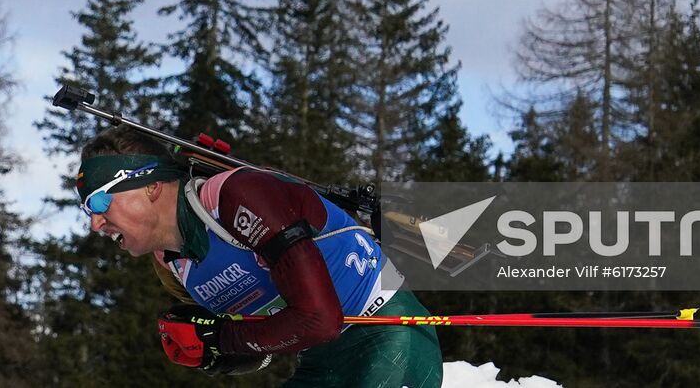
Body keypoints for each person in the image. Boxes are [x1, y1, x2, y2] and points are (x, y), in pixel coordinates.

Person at [76, 125, 443, 387]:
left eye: (101, 201)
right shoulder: (173, 264)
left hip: (389, 332)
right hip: (321, 362)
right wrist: (208, 348)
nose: (95, 222)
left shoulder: (236, 197)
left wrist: (223, 338)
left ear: (151, 185)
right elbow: (262, 344)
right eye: (87, 209)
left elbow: (320, 319)